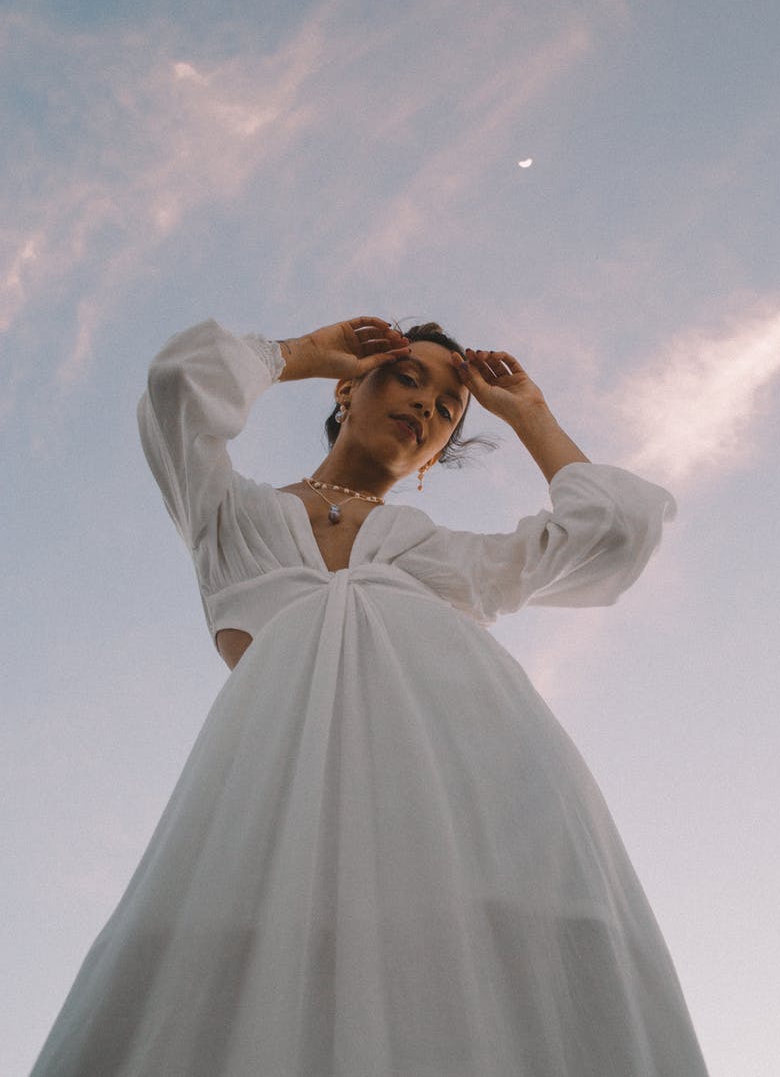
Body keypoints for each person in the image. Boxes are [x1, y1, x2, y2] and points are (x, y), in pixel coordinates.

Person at [30, 314, 708, 1076]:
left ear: (432, 458)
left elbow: (611, 533)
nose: (428, 407)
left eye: (449, 408)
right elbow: (175, 390)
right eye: (407, 378)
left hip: (479, 792)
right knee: (204, 983)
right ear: (348, 390)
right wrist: (304, 354)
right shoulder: (232, 516)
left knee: (522, 977)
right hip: (278, 795)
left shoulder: (444, 555)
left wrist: (528, 414)